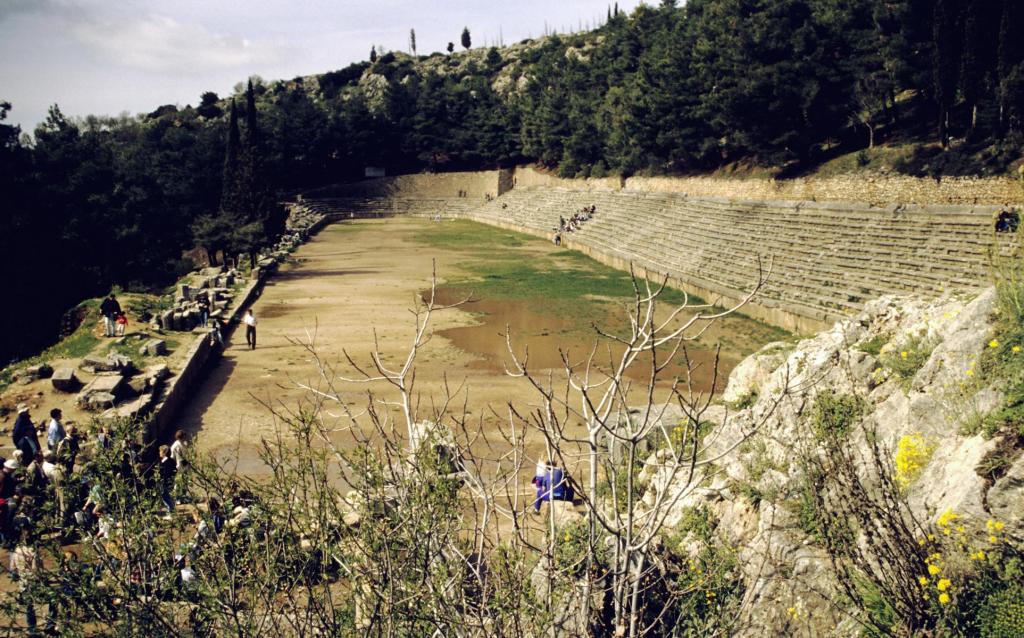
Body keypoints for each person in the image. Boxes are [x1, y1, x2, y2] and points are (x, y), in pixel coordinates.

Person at [9, 526, 41, 632]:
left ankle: (32, 628)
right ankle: (41, 626)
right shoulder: (33, 551)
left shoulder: (16, 550)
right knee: (37, 603)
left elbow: (12, 568)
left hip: (23, 579)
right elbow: (35, 568)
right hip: (32, 579)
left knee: (29, 605)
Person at [158, 445, 176, 516]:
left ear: (164, 452)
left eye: (160, 451)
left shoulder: (166, 462)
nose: (159, 452)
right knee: (168, 497)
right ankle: (171, 511)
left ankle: (171, 512)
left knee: (165, 497)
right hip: (170, 481)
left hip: (165, 482)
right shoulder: (171, 461)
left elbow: (165, 473)